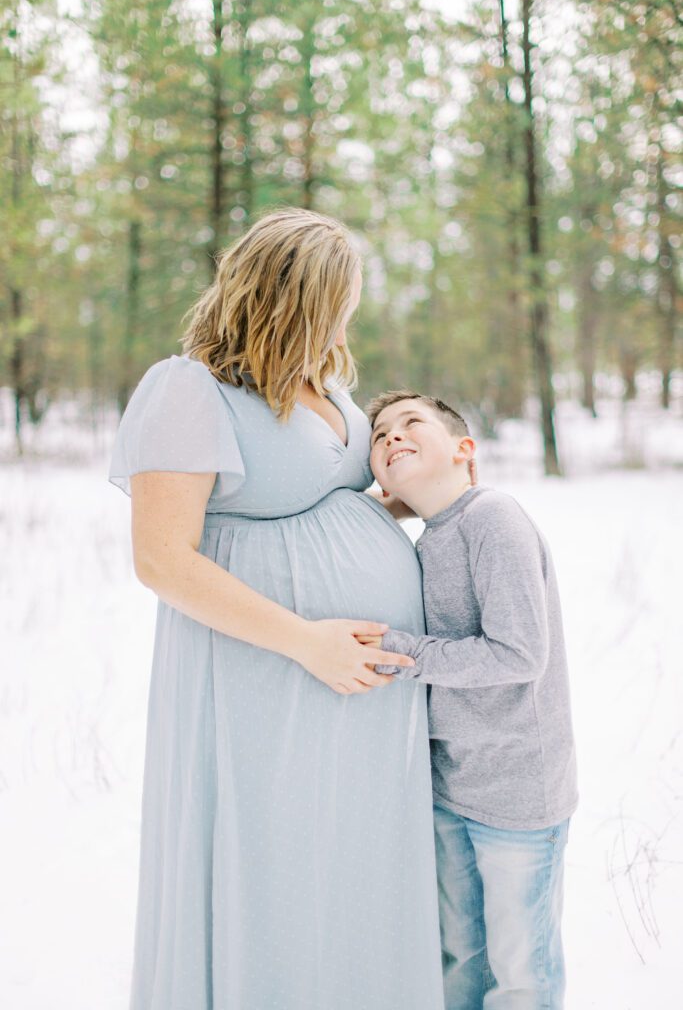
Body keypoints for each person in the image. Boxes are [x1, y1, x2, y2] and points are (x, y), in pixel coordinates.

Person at [108, 211, 446, 1010]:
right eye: (340, 297)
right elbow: (161, 559)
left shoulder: (324, 383)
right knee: (274, 859)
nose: (348, 315)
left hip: (351, 689)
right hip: (260, 674)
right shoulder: (188, 389)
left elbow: (324, 501)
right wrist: (306, 641)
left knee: (343, 863)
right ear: (292, 296)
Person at [361, 390, 578, 1010]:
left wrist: (403, 653)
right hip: (453, 783)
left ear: (464, 452)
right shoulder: (429, 537)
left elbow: (518, 653)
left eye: (410, 425)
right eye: (379, 437)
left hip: (518, 793)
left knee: (520, 970)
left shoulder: (492, 517)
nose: (392, 437)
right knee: (462, 958)